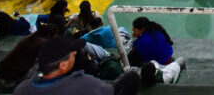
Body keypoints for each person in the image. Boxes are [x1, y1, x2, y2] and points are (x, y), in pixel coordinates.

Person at [12, 36, 140, 95]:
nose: (75, 54)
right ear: (63, 65)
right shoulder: (85, 84)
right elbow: (109, 91)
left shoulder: (21, 89)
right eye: (72, 55)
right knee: (131, 77)